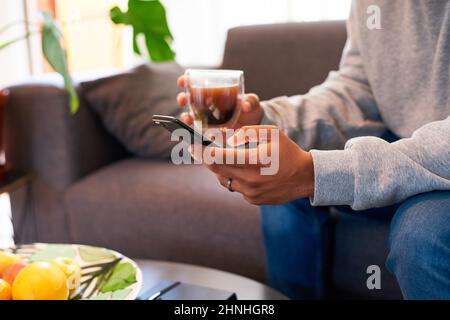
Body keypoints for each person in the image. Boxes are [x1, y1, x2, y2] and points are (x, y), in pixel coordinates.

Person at [176, 0, 450, 299]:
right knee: (277, 172)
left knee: (422, 235)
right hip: (407, 145)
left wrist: (314, 173)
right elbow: (359, 89)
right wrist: (267, 120)